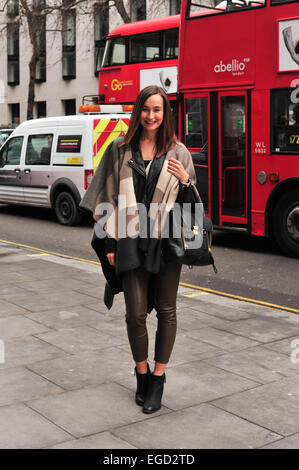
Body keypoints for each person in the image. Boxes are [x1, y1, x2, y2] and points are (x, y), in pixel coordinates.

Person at [80, 85, 200, 414]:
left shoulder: (179, 153)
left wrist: (186, 183)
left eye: (157, 110)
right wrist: (108, 243)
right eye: (146, 109)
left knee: (166, 311)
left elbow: (191, 209)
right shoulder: (119, 149)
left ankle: (158, 379)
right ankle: (142, 373)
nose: (151, 116)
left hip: (166, 241)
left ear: (166, 114)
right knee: (134, 313)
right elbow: (105, 198)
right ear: (138, 111)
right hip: (129, 239)